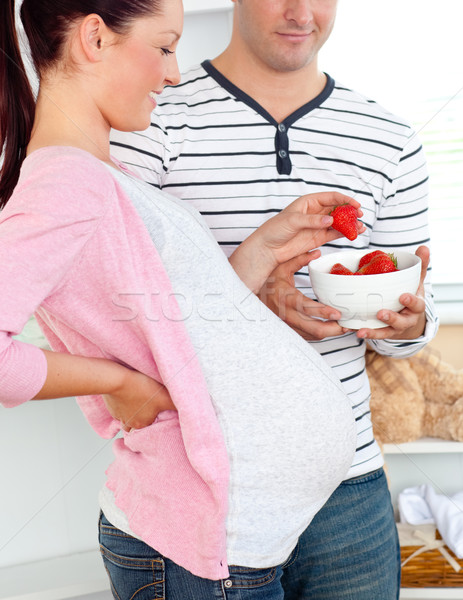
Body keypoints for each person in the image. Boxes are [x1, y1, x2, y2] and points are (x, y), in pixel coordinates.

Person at [0, 1, 369, 598]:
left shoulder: (106, 176)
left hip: (230, 546)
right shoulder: (66, 181)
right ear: (95, 37)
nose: (174, 73)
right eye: (166, 47)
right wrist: (121, 384)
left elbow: (187, 321)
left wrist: (265, 247)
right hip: (196, 552)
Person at [109, 0, 441, 598]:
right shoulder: (148, 117)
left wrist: (405, 322)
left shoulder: (388, 137)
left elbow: (414, 307)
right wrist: (248, 300)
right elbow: (117, 310)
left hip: (349, 486)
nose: (301, 12)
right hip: (212, 484)